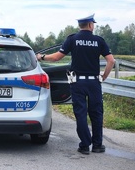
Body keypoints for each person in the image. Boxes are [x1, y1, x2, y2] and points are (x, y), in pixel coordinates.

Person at [36, 14, 115, 155]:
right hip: (94, 82)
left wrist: (41, 57)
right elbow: (111, 61)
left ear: (80, 25)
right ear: (90, 25)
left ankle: (84, 145)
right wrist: (104, 76)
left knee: (81, 113)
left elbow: (56, 57)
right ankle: (97, 145)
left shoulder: (73, 39)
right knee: (96, 113)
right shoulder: (99, 41)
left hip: (77, 82)